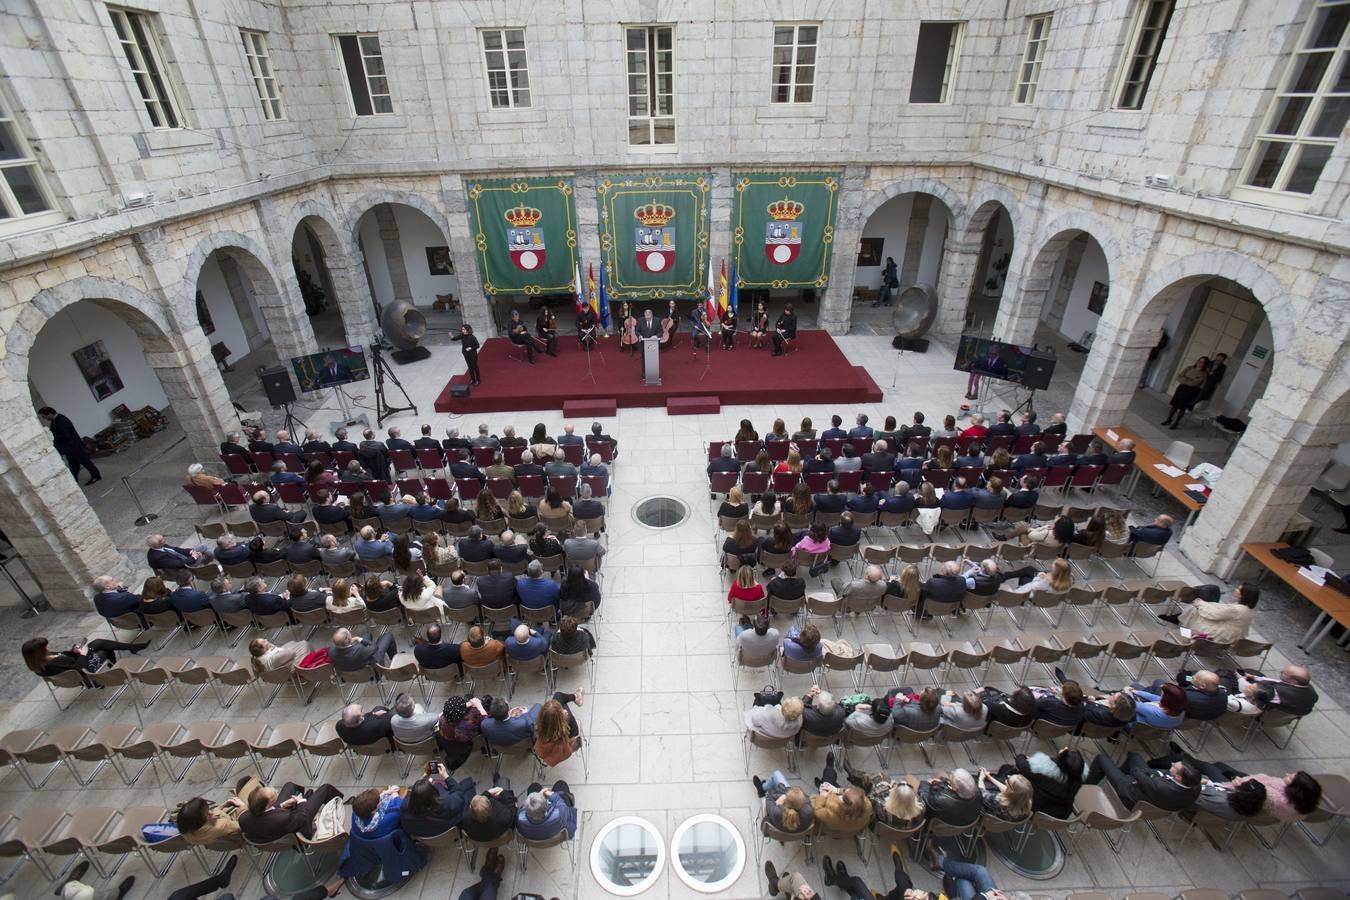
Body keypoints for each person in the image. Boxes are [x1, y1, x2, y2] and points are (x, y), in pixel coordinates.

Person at [1085, 750, 1201, 810]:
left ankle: (1085, 786)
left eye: (1174, 766)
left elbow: (1136, 772)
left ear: (1179, 778)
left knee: (1101, 759)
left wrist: (1149, 774)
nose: (1171, 764)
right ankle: (1116, 774)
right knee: (1134, 756)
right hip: (1155, 797)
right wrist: (1153, 774)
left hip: (1131, 794)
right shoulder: (1196, 787)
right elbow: (1164, 773)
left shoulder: (1160, 786)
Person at [239, 780, 344, 843]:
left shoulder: (242, 818)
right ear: (267, 805)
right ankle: (339, 803)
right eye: (273, 794)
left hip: (275, 824)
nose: (275, 791)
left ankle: (305, 796)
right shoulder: (284, 818)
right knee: (325, 788)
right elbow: (302, 817)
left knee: (289, 785)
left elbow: (268, 816)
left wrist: (282, 805)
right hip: (300, 829)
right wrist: (301, 802)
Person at [1161, 582, 1258, 642]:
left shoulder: (1236, 610)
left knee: (1195, 609)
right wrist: (1206, 604)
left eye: (1239, 590)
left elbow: (1213, 615)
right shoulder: (1249, 610)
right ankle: (1178, 619)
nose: (1236, 590)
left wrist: (1201, 604)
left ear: (1243, 595)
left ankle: (1181, 628)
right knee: (1206, 600)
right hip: (1228, 637)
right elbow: (1223, 610)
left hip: (1215, 636)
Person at [402, 763, 477, 838]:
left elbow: (414, 792)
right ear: (433, 795)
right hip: (448, 827)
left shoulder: (405, 810)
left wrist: (424, 779)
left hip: (428, 837)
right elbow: (457, 793)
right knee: (467, 786)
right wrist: (446, 776)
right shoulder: (446, 806)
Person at [22, 635, 148, 679]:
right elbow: (78, 668)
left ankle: (131, 648)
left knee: (98, 642)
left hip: (77, 661)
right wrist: (82, 654)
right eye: (45, 648)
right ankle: (116, 669)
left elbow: (64, 656)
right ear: (39, 652)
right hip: (85, 669)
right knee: (105, 649)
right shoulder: (52, 664)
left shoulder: (40, 661)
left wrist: (73, 651)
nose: (47, 648)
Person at [39, 406, 101, 484]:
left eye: (44, 416)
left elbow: (66, 435)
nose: (44, 419)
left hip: (74, 447)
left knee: (85, 462)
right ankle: (74, 481)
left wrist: (54, 439)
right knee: (74, 466)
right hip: (69, 448)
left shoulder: (61, 420)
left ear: (49, 414)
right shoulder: (55, 420)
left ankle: (96, 476)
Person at [534, 691, 583, 765]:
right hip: (569, 735)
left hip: (551, 734)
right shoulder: (560, 739)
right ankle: (576, 697)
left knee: (557, 700)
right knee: (560, 699)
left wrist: (561, 716)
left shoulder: (538, 726)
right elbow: (568, 752)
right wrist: (565, 718)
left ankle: (575, 697)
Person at [1163, 356, 1210, 428]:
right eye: (1199, 361)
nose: (1199, 363)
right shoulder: (1189, 368)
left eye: (1202, 362)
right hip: (1181, 388)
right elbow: (1179, 377)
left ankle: (1176, 423)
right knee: (1174, 405)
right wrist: (1190, 379)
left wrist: (1185, 378)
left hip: (1191, 391)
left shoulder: (1203, 374)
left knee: (1183, 408)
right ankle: (1169, 419)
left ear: (1205, 364)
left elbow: (1193, 384)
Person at [330, 626, 397, 671]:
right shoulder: (360, 651)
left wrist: (360, 640)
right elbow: (374, 647)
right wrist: (358, 639)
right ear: (349, 639)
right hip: (373, 668)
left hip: (351, 670)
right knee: (387, 636)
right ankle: (395, 659)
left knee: (367, 635)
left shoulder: (331, 651)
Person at [636, 307, 662, 378]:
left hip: (654, 343)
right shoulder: (640, 320)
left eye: (649, 317)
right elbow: (637, 331)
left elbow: (661, 331)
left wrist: (656, 336)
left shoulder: (657, 320)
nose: (647, 318)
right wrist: (639, 336)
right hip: (644, 342)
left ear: (652, 315)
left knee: (654, 357)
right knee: (644, 358)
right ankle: (644, 373)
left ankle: (655, 372)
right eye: (646, 317)